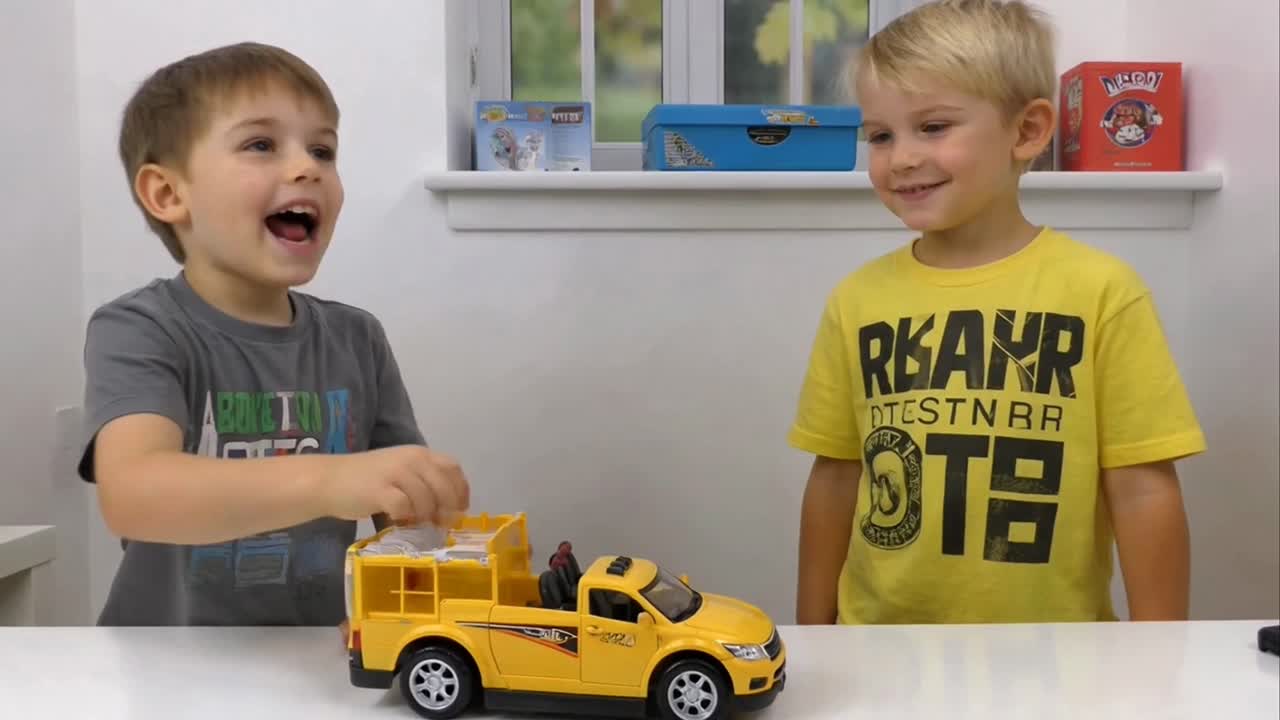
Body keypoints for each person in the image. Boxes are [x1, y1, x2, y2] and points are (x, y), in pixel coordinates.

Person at [789, 0, 1204, 625]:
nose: (899, 157)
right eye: (880, 135)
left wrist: (1163, 659)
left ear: (1027, 131)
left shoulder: (1103, 293)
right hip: (877, 652)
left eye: (932, 127)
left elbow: (1143, 489)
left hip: (1059, 660)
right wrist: (813, 635)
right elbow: (836, 478)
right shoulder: (856, 301)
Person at [77, 42, 470, 629]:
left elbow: (406, 518)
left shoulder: (357, 338)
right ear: (167, 194)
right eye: (261, 144)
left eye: (323, 149)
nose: (306, 166)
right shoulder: (140, 328)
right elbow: (134, 494)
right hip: (159, 666)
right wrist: (330, 479)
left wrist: (414, 596)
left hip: (308, 662)